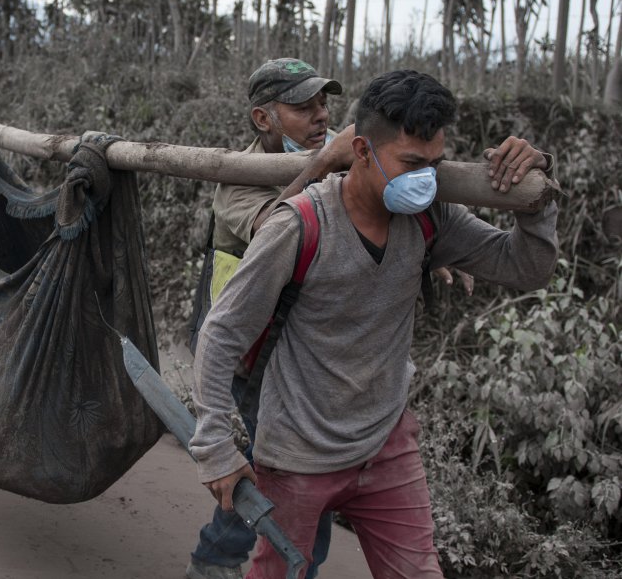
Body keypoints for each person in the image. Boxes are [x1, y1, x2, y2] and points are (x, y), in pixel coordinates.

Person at [190, 69, 558, 578]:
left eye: (435, 164)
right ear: (361, 151)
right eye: (410, 163)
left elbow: (526, 266)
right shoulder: (298, 225)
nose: (425, 179)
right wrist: (214, 447)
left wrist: (535, 201)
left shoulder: (431, 218)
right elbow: (223, 331)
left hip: (387, 442)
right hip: (298, 450)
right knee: (286, 569)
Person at [187, 58, 346, 579]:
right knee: (282, 466)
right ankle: (223, 561)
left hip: (302, 345)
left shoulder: (337, 154)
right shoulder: (236, 180)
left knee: (286, 465)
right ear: (263, 119)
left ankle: (221, 559)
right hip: (246, 347)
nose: (321, 117)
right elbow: (280, 228)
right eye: (303, 107)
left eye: (324, 105)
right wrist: (324, 166)